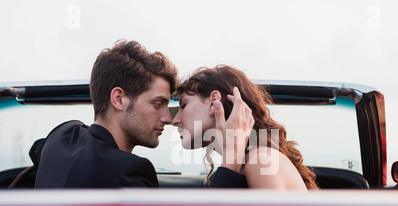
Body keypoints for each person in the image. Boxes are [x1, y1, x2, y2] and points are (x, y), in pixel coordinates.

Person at [33, 40, 253, 188]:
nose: (168, 119)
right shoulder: (131, 172)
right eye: (158, 103)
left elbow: (38, 150)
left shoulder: (62, 135)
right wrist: (232, 160)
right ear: (119, 99)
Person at [172, 65, 319, 190]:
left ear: (213, 102)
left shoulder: (260, 161)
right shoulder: (250, 162)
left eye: (183, 105)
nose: (175, 120)